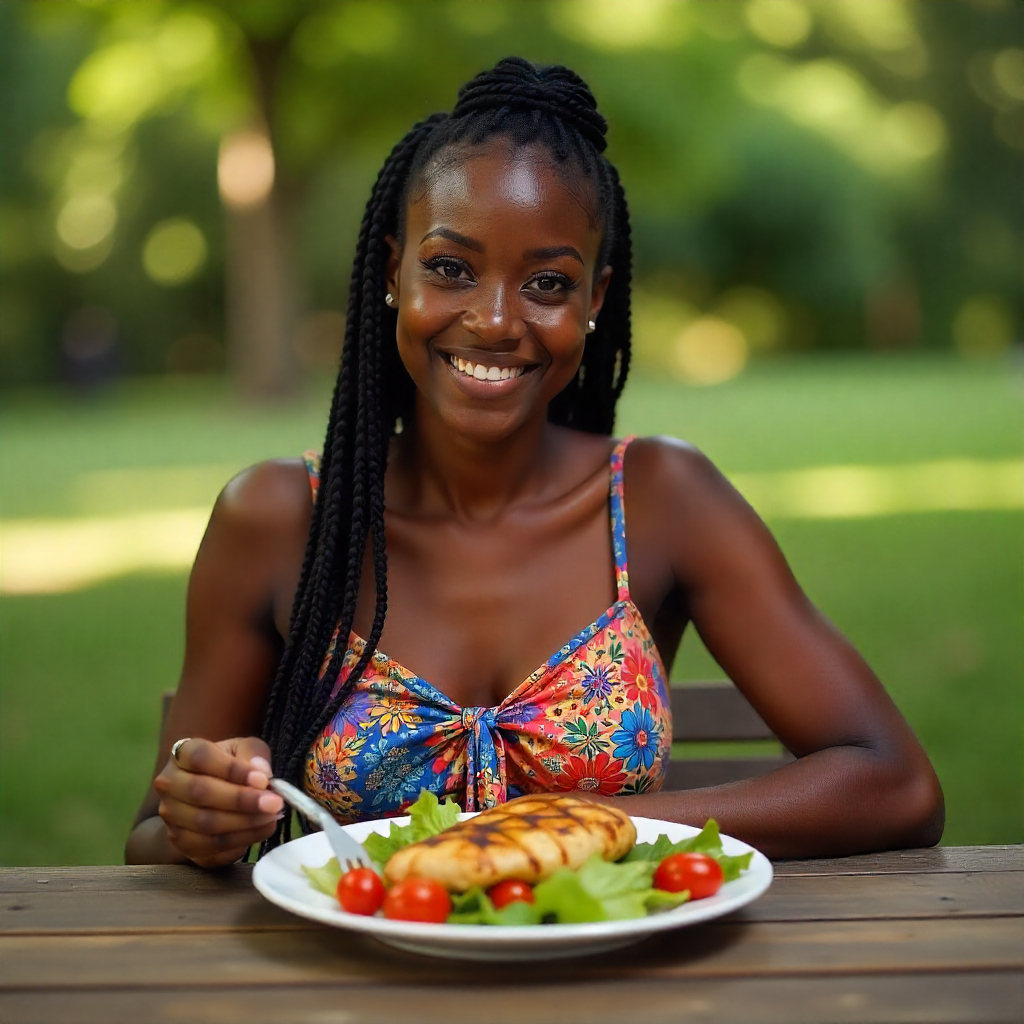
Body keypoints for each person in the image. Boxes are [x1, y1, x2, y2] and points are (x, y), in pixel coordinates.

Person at [126, 58, 943, 869]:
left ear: (593, 301)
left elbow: (895, 785)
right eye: (450, 268)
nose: (492, 319)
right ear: (390, 272)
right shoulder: (278, 518)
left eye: (547, 282)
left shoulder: (662, 500)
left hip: (618, 984)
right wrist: (204, 817)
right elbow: (152, 838)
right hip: (361, 985)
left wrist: (598, 824)